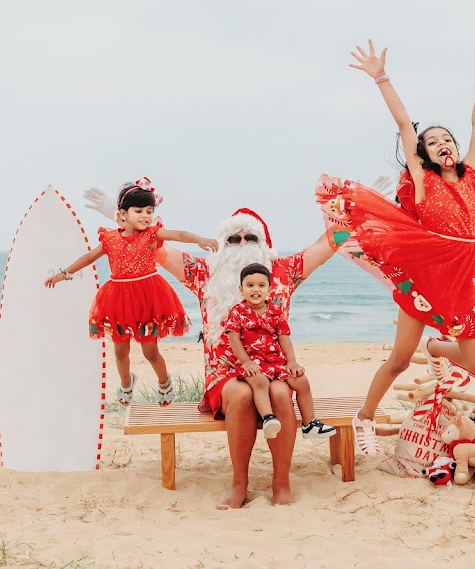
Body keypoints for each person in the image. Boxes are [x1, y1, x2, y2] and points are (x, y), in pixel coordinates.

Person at [83, 191, 343, 509]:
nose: (243, 244)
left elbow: (324, 247)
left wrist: (354, 211)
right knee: (243, 395)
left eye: (251, 237)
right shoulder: (205, 274)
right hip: (224, 373)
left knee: (279, 393)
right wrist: (120, 215)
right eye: (234, 239)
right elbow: (156, 247)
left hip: (272, 367)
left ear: (264, 243)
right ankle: (238, 485)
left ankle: (281, 483)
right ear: (222, 244)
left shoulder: (281, 273)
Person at [316, 40, 475, 457]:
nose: (444, 144)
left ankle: (436, 347)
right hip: (425, 269)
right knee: (398, 360)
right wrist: (381, 77)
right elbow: (403, 125)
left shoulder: (471, 177)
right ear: (424, 154)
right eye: (434, 142)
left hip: (460, 272)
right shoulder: (421, 178)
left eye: (447, 138)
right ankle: (364, 416)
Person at [45, 177, 218, 406]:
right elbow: (88, 258)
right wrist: (63, 274)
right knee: (120, 351)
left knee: (150, 352)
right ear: (123, 213)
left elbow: (179, 235)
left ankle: (164, 383)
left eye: (149, 210)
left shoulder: (152, 235)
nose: (146, 216)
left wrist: (200, 240)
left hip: (148, 298)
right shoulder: (110, 239)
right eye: (139, 211)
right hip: (118, 300)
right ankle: (127, 383)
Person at [223, 263, 336, 440]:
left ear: (269, 288)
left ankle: (310, 423)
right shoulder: (238, 312)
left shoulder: (275, 312)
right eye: (250, 285)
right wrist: (246, 361)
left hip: (275, 363)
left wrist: (291, 361)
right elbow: (233, 339)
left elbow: (284, 338)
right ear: (241, 289)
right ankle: (268, 417)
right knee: (260, 382)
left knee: (301, 381)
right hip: (252, 364)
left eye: (261, 285)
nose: (256, 290)